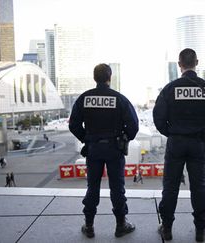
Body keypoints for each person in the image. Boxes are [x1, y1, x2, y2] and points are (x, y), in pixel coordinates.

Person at [153, 48, 205, 242]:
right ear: (197, 62)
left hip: (176, 142)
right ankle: (200, 229)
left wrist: (172, 132)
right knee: (199, 187)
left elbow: (158, 118)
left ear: (180, 64)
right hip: (198, 142)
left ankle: (167, 228)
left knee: (170, 187)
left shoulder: (170, 88)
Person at [69, 63, 139, 239]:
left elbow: (73, 125)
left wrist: (86, 138)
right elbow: (133, 125)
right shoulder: (119, 99)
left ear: (95, 78)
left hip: (93, 148)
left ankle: (89, 225)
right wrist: (125, 138)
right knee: (117, 188)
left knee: (92, 187)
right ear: (109, 77)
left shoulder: (84, 98)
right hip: (114, 148)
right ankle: (121, 225)